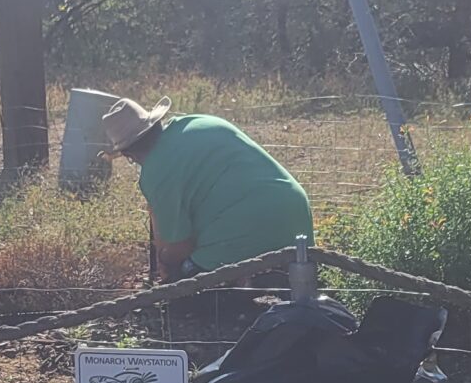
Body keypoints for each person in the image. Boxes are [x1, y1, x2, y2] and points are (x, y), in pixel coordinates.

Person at [95, 96, 313, 280]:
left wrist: (164, 261)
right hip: (297, 221)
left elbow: (179, 247)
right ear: (155, 122)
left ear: (128, 154)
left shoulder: (156, 172)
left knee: (184, 279)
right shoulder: (200, 121)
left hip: (250, 234)